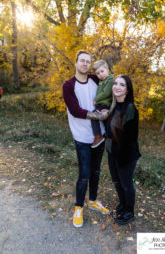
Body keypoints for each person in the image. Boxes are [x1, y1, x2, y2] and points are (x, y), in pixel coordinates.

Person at [62, 50, 109, 228]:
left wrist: (109, 111)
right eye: (81, 61)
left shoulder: (95, 79)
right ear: (75, 63)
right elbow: (75, 111)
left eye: (88, 62)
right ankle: (79, 207)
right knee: (84, 174)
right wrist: (98, 116)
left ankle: (93, 200)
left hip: (100, 135)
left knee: (96, 171)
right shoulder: (68, 85)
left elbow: (111, 85)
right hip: (82, 136)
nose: (84, 64)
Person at [105, 74, 141, 225]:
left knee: (126, 184)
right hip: (112, 152)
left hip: (125, 155)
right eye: (115, 83)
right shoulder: (112, 105)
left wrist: (120, 157)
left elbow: (131, 138)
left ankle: (129, 211)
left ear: (127, 90)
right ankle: (122, 204)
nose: (117, 87)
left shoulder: (130, 108)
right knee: (116, 182)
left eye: (122, 85)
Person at [91, 60, 114, 148]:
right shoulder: (101, 81)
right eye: (98, 73)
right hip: (100, 105)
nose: (100, 74)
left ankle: (98, 136)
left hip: (104, 105)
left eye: (102, 71)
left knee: (94, 116)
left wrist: (96, 99)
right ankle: (108, 139)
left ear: (107, 70)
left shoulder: (110, 79)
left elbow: (106, 93)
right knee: (106, 125)